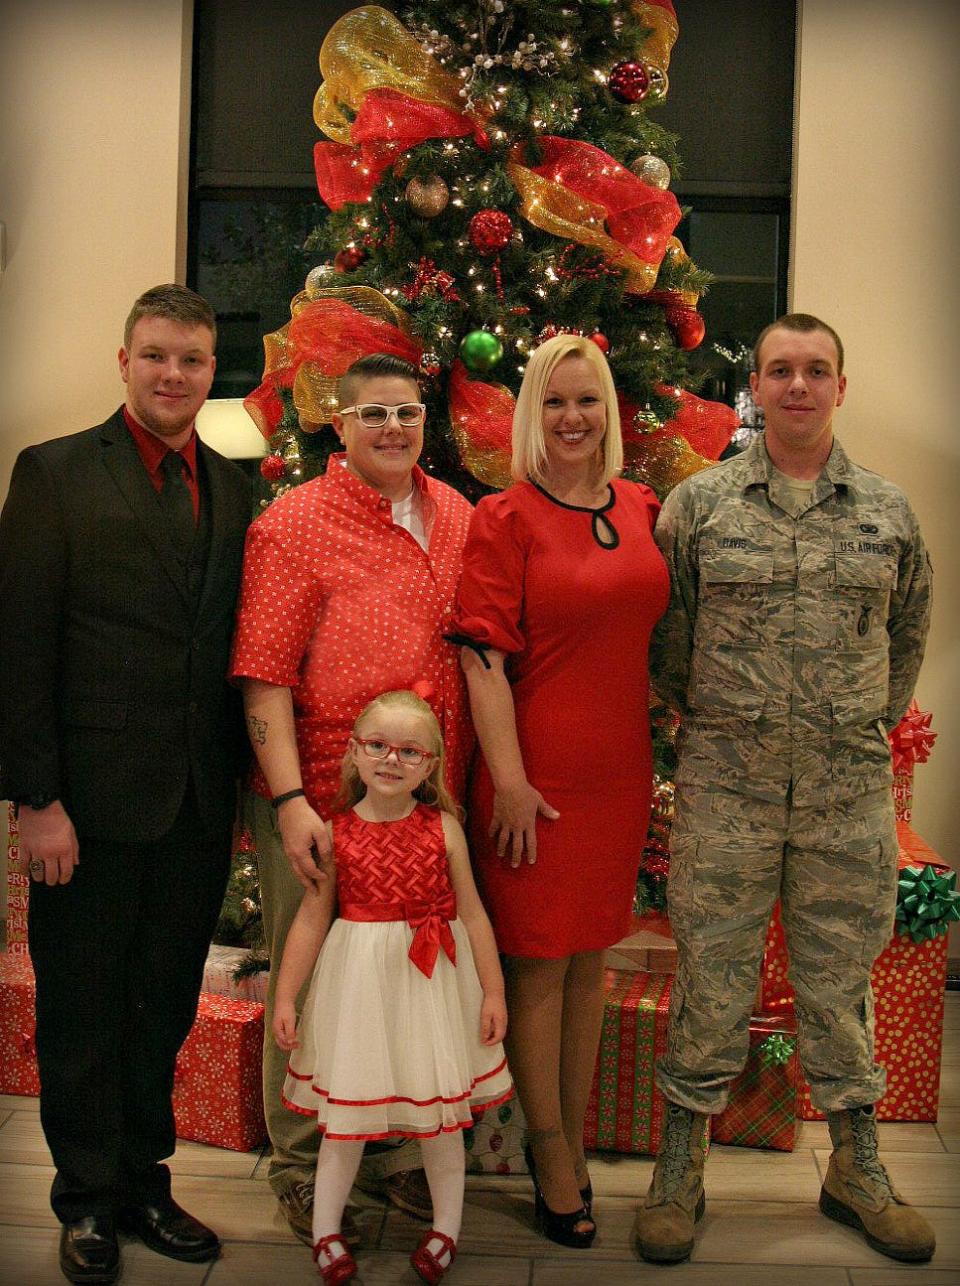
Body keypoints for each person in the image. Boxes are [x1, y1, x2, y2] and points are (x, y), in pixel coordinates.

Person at [637, 313, 935, 1265]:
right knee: (711, 983)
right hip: (729, 789)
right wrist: (737, 727)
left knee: (841, 985)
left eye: (816, 370)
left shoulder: (888, 513)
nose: (797, 386)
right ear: (754, 388)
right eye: (779, 371)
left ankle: (855, 1166)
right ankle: (680, 1170)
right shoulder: (700, 508)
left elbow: (907, 639)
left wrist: (852, 728)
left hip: (847, 795)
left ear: (840, 387)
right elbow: (668, 648)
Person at [0, 284, 251, 1284]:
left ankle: (148, 1177)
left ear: (209, 368)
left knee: (163, 1005)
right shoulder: (54, 474)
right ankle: (86, 1200)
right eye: (155, 355)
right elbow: (21, 645)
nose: (172, 374)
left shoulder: (235, 489)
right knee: (81, 1007)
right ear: (124, 360)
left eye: (190, 359)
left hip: (193, 803)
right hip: (84, 808)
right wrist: (34, 798)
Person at [230, 353, 474, 1244]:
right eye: (372, 414)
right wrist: (292, 801)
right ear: (339, 425)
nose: (393, 430)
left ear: (425, 419)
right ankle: (301, 1161)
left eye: (407, 413)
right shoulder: (295, 522)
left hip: (425, 801)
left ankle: (405, 1157)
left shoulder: (457, 514)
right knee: (317, 977)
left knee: (415, 978)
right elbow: (263, 676)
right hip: (324, 798)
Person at [452, 333, 669, 1248]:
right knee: (539, 963)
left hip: (618, 773)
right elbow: (481, 657)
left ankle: (571, 1137)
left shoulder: (643, 503)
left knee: (591, 963)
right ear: (530, 415)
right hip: (533, 777)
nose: (572, 418)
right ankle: (547, 1149)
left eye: (587, 401)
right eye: (554, 402)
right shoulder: (505, 517)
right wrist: (506, 779)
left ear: (608, 410)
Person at [273, 689, 512, 1283]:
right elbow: (310, 919)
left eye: (409, 751)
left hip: (431, 992)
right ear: (354, 752)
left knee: (440, 1118)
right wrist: (285, 996)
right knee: (345, 1120)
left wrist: (494, 992)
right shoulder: (334, 834)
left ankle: (445, 1231)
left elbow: (476, 914)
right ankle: (327, 1231)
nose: (390, 759)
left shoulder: (445, 830)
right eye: (376, 745)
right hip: (359, 994)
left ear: (431, 764)